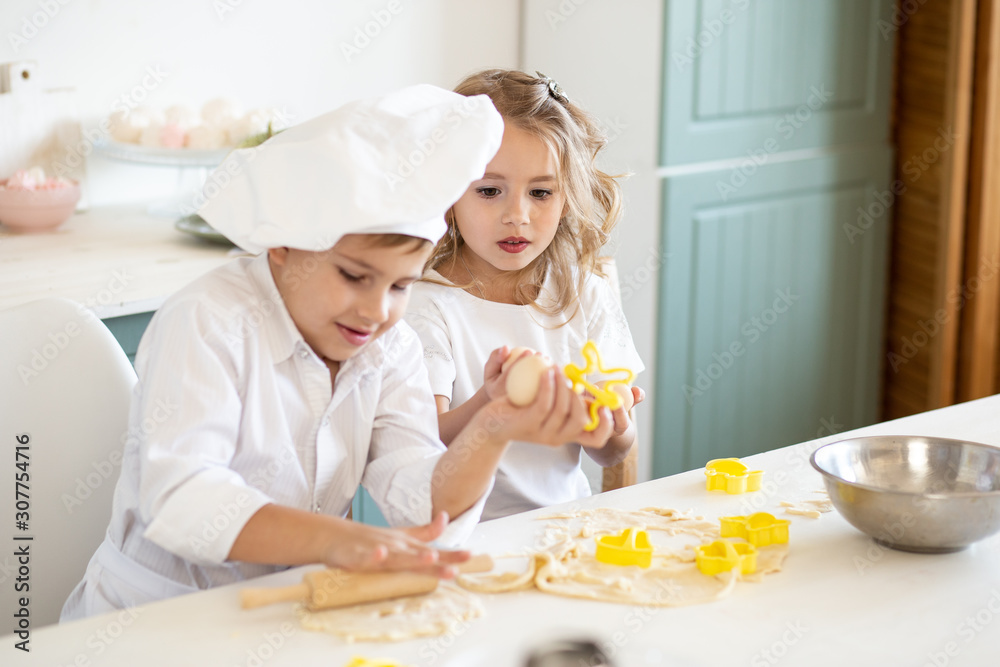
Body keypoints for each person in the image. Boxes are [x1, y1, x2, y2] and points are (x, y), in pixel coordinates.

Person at [61, 84, 583, 621]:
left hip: (284, 619)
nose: (377, 310)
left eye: (401, 286)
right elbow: (184, 499)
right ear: (284, 245)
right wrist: (336, 542)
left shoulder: (390, 346)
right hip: (149, 622)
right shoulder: (210, 320)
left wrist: (491, 430)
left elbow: (420, 502)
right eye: (355, 276)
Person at [404, 70, 645, 521]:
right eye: (490, 191)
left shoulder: (584, 294)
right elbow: (421, 444)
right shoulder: (426, 304)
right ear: (450, 192)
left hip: (563, 526)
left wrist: (612, 424)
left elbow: (613, 456)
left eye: (540, 192)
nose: (518, 216)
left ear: (567, 197)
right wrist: (491, 405)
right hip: (461, 534)